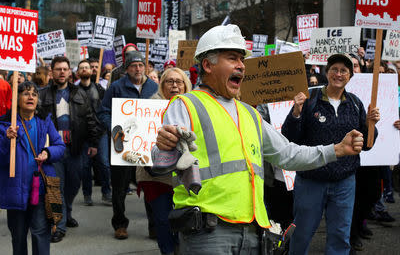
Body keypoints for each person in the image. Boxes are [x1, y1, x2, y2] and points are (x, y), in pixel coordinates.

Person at [153, 24, 365, 254]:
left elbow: (289, 154)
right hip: (209, 234)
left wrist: (337, 149)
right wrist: (164, 147)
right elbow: (160, 160)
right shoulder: (185, 105)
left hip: (254, 232)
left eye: (242, 60)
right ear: (207, 65)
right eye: (233, 58)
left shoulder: (250, 114)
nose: (242, 66)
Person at [282, 54, 380, 255]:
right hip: (311, 180)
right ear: (327, 72)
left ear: (350, 76)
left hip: (344, 182)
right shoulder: (309, 99)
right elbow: (289, 138)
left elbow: (367, 145)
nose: (338, 74)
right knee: (301, 234)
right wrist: (296, 113)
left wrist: (372, 125)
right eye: (334, 69)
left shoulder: (355, 103)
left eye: (344, 70)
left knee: (340, 236)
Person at [39, 56, 101, 243]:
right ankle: (59, 225)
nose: (62, 72)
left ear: (69, 71)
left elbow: (90, 118)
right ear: (52, 71)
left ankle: (67, 211)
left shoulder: (80, 94)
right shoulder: (42, 94)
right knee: (55, 187)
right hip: (53, 150)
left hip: (76, 148)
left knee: (73, 185)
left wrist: (94, 143)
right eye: (58, 69)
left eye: (65, 69)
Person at [98, 50, 158, 240]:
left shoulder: (154, 87)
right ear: (127, 68)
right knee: (119, 189)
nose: (138, 69)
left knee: (150, 187)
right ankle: (120, 224)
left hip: (147, 148)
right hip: (122, 148)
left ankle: (154, 226)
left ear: (145, 67)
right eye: (134, 66)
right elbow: (103, 112)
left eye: (141, 65)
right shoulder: (116, 87)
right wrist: (114, 130)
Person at [0, 81, 65, 255]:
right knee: (19, 236)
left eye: (34, 94)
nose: (30, 97)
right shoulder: (5, 125)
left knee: (40, 233)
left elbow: (60, 146)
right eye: (25, 93)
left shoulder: (44, 121)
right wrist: (6, 140)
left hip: (41, 189)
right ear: (16, 98)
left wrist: (47, 152)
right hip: (15, 190)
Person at [136, 67, 191, 254]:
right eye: (170, 81)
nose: (175, 85)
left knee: (184, 219)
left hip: (184, 175)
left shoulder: (193, 107)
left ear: (186, 85)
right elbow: (140, 141)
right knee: (163, 219)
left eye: (179, 81)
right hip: (156, 176)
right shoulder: (148, 106)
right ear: (162, 84)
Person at [76, 59, 112, 206]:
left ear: (92, 72)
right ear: (78, 72)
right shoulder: (73, 91)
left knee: (104, 163)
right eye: (82, 68)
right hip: (83, 134)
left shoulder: (99, 89)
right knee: (85, 165)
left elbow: (105, 109)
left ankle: (106, 192)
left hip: (100, 132)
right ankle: (87, 194)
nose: (85, 69)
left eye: (87, 67)